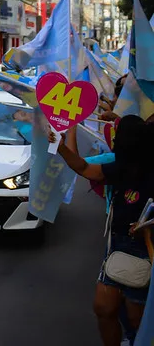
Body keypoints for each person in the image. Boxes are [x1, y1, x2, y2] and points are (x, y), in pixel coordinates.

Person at [53, 116, 153, 346]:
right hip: (118, 246)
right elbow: (84, 167)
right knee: (103, 308)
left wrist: (147, 230)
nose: (115, 140)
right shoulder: (119, 166)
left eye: (120, 135)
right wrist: (60, 146)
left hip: (146, 250)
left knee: (137, 319)